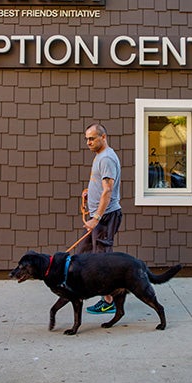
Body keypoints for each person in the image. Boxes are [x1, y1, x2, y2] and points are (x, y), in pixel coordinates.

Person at [78, 123, 123, 314]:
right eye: (87, 138)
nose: (88, 142)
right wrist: (90, 190)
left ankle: (110, 301)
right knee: (84, 253)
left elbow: (108, 190)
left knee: (101, 260)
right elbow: (101, 185)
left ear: (103, 137)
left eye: (92, 138)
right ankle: (86, 291)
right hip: (98, 216)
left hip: (104, 218)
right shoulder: (100, 156)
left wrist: (96, 217)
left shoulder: (106, 158)